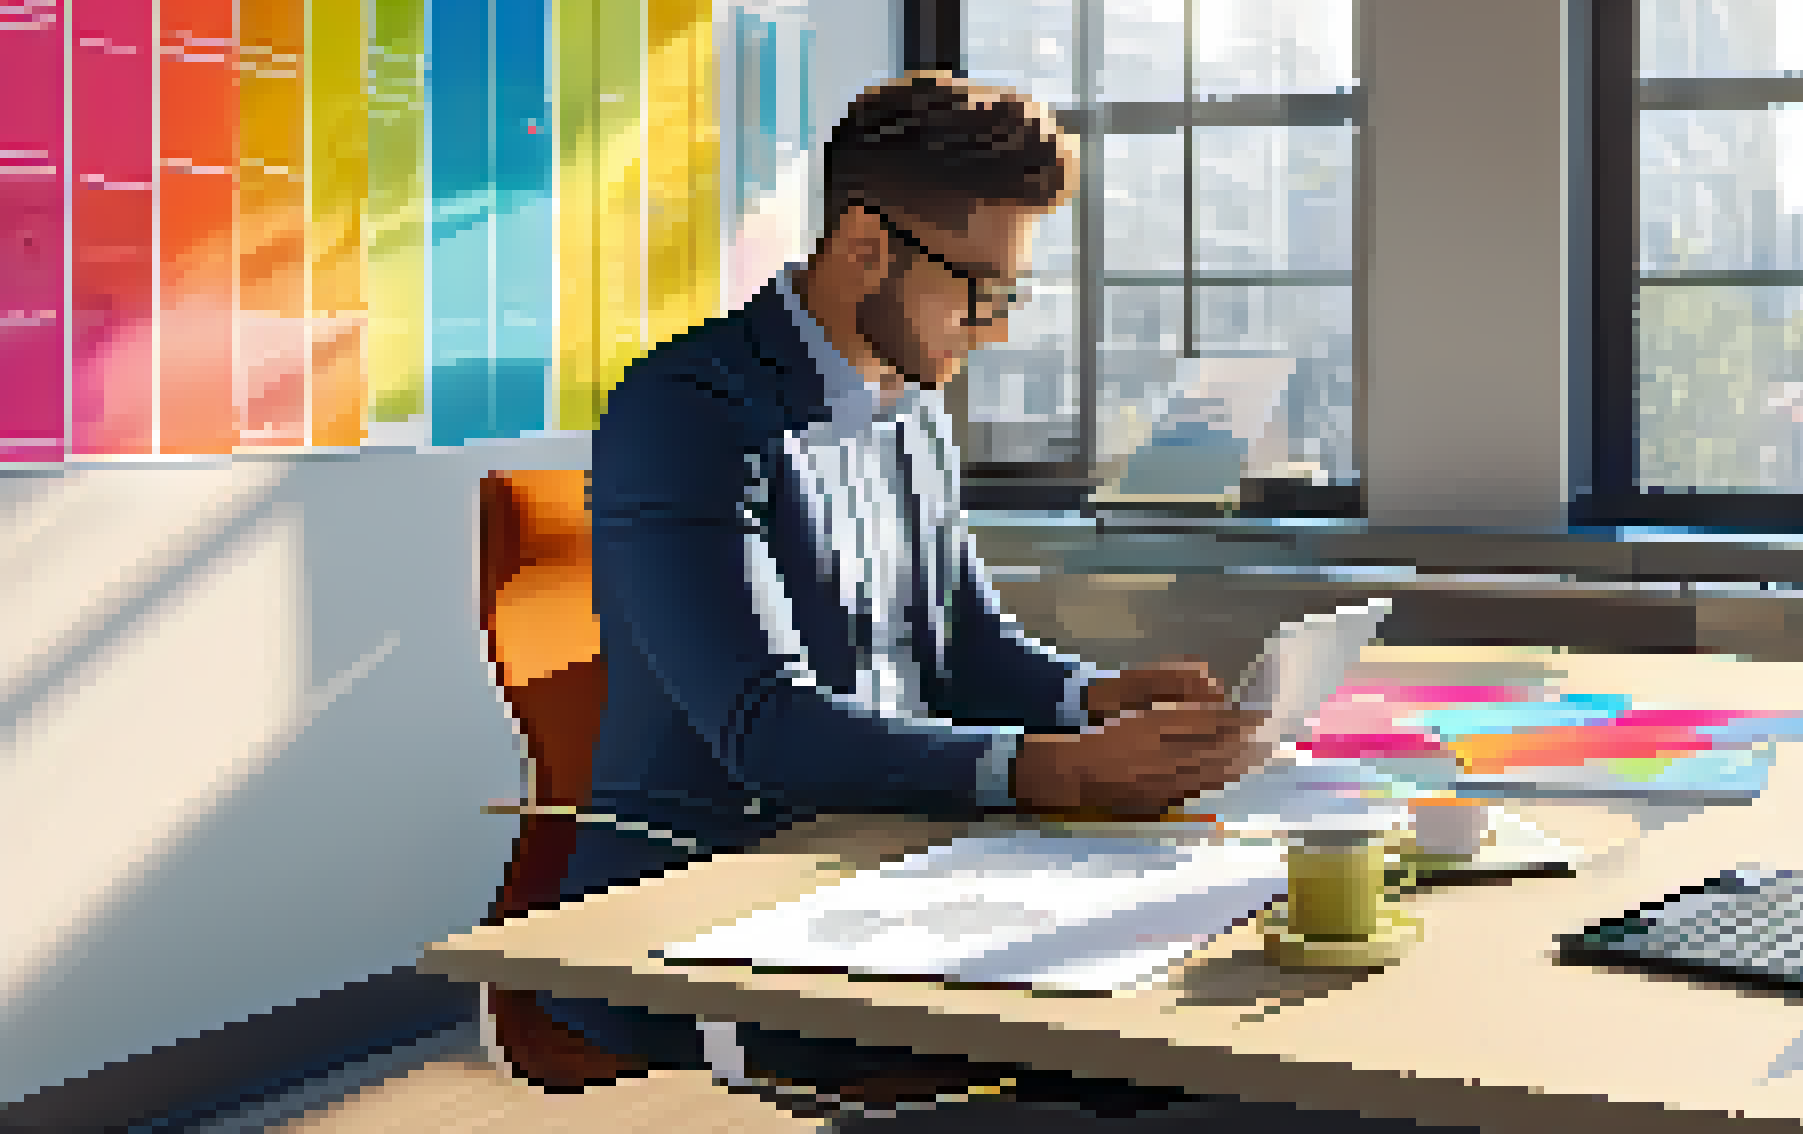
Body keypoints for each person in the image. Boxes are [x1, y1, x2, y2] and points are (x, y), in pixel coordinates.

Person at [531, 72, 1272, 1118]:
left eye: (1013, 296)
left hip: (893, 862)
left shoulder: (908, 405)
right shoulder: (692, 410)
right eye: (984, 292)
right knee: (1146, 1067)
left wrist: (1094, 702)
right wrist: (1055, 771)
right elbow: (767, 727)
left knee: (1203, 1004)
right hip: (713, 889)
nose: (997, 329)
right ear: (867, 247)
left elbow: (968, 648)